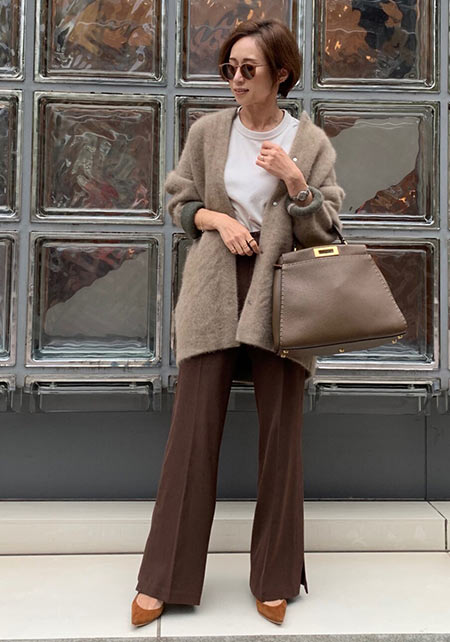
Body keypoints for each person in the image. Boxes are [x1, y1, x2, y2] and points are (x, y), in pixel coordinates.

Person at [131, 17, 345, 627]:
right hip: (212, 290)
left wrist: (296, 182)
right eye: (229, 68)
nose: (235, 79)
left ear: (281, 74)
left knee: (281, 439)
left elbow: (327, 231)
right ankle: (164, 578)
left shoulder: (311, 143)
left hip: (283, 294)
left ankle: (275, 576)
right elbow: (179, 199)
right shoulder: (208, 131)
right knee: (191, 435)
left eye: (248, 69)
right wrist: (217, 219)